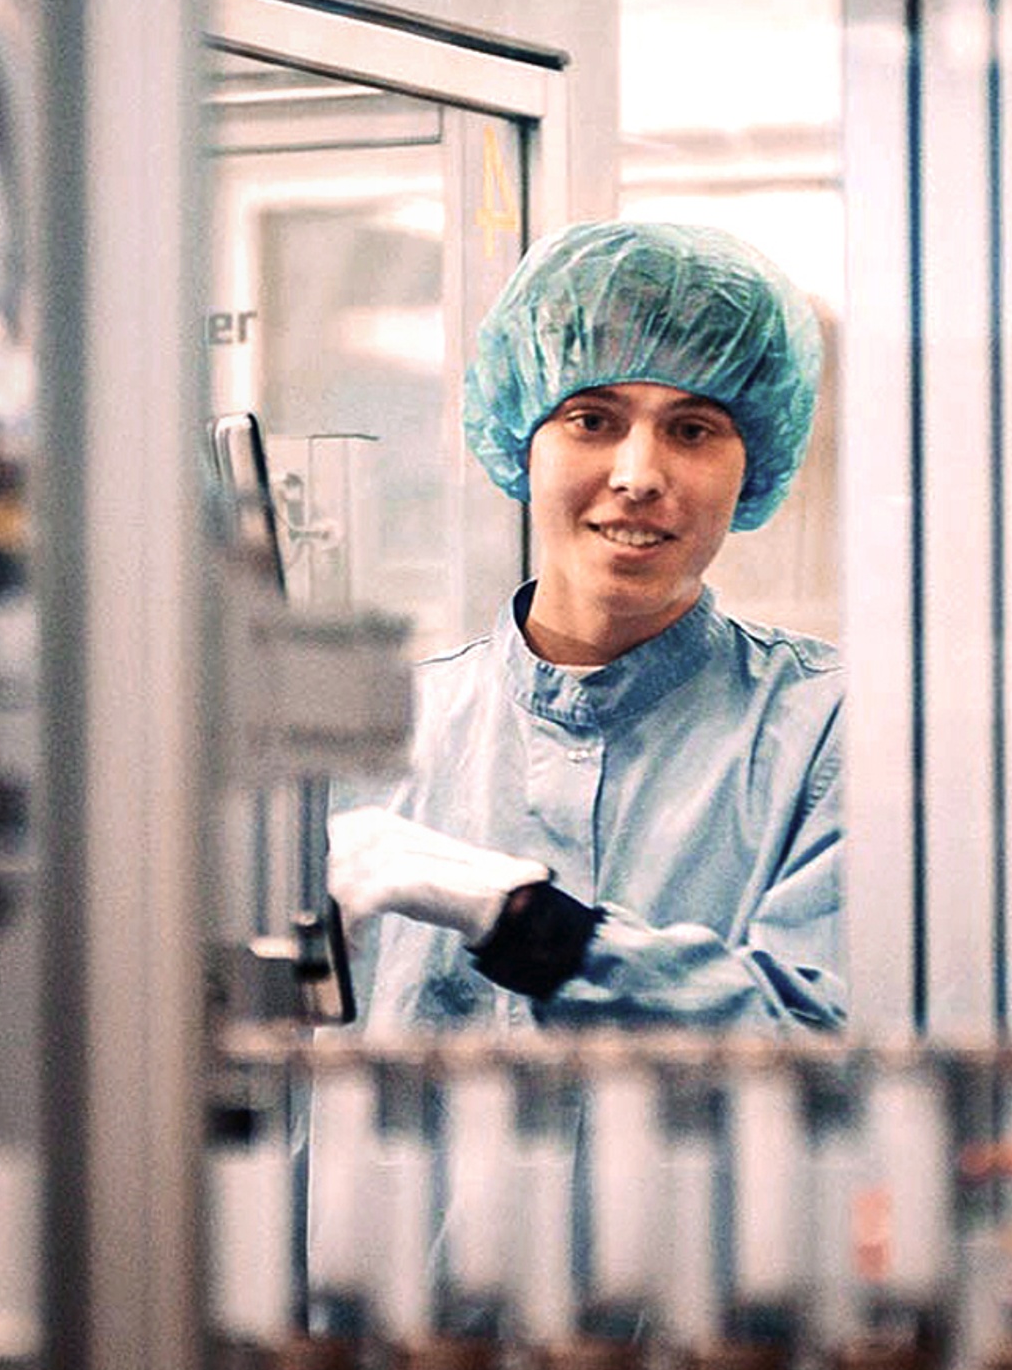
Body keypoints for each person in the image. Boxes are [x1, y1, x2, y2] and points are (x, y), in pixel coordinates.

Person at [324, 217, 845, 1030]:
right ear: (520, 440)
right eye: (591, 421)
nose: (638, 476)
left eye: (693, 429)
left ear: (753, 464)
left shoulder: (832, 733)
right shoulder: (374, 739)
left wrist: (533, 928)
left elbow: (832, 1048)